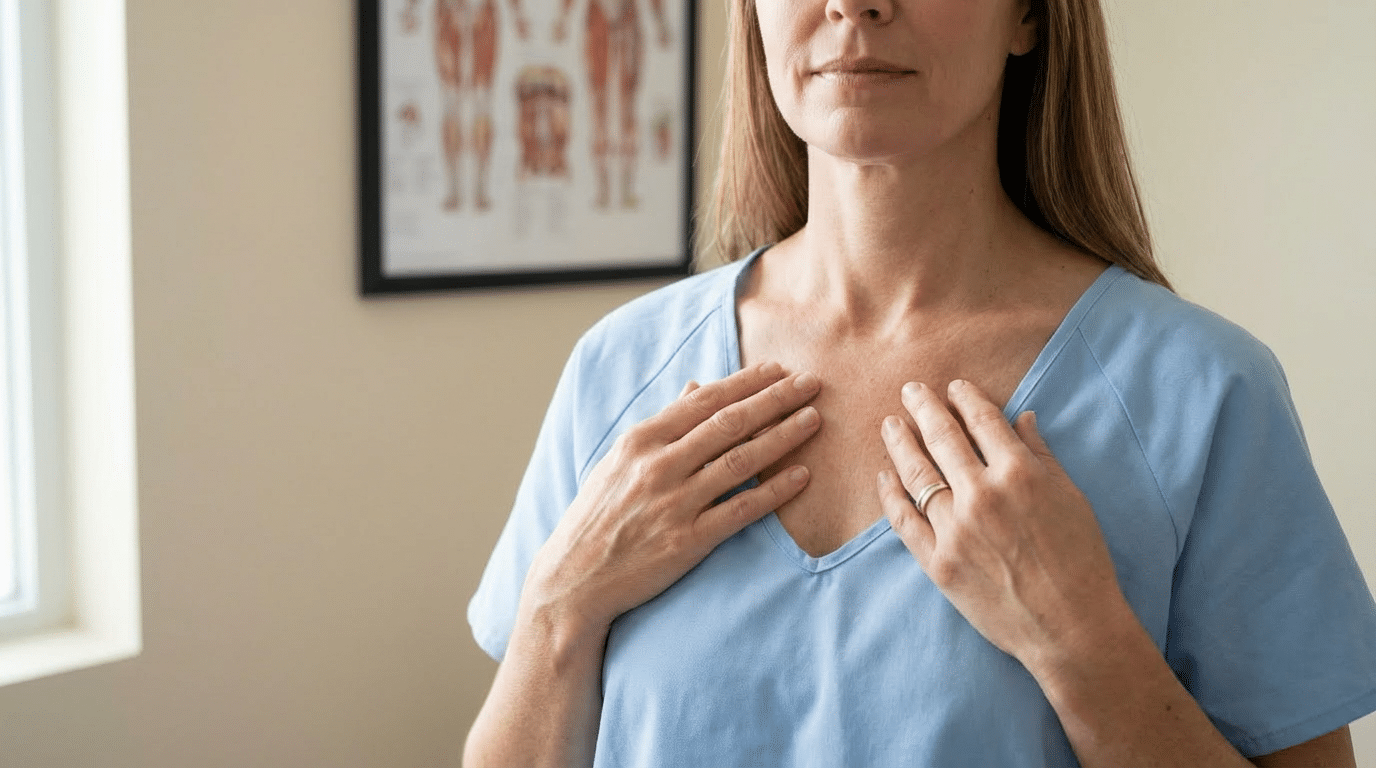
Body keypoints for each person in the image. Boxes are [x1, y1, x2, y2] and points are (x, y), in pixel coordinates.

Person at [463, 0, 1376, 764]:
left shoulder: (1203, 394)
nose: (856, 4)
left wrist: (1084, 647)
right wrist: (558, 609)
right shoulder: (618, 368)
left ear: (1027, 15)